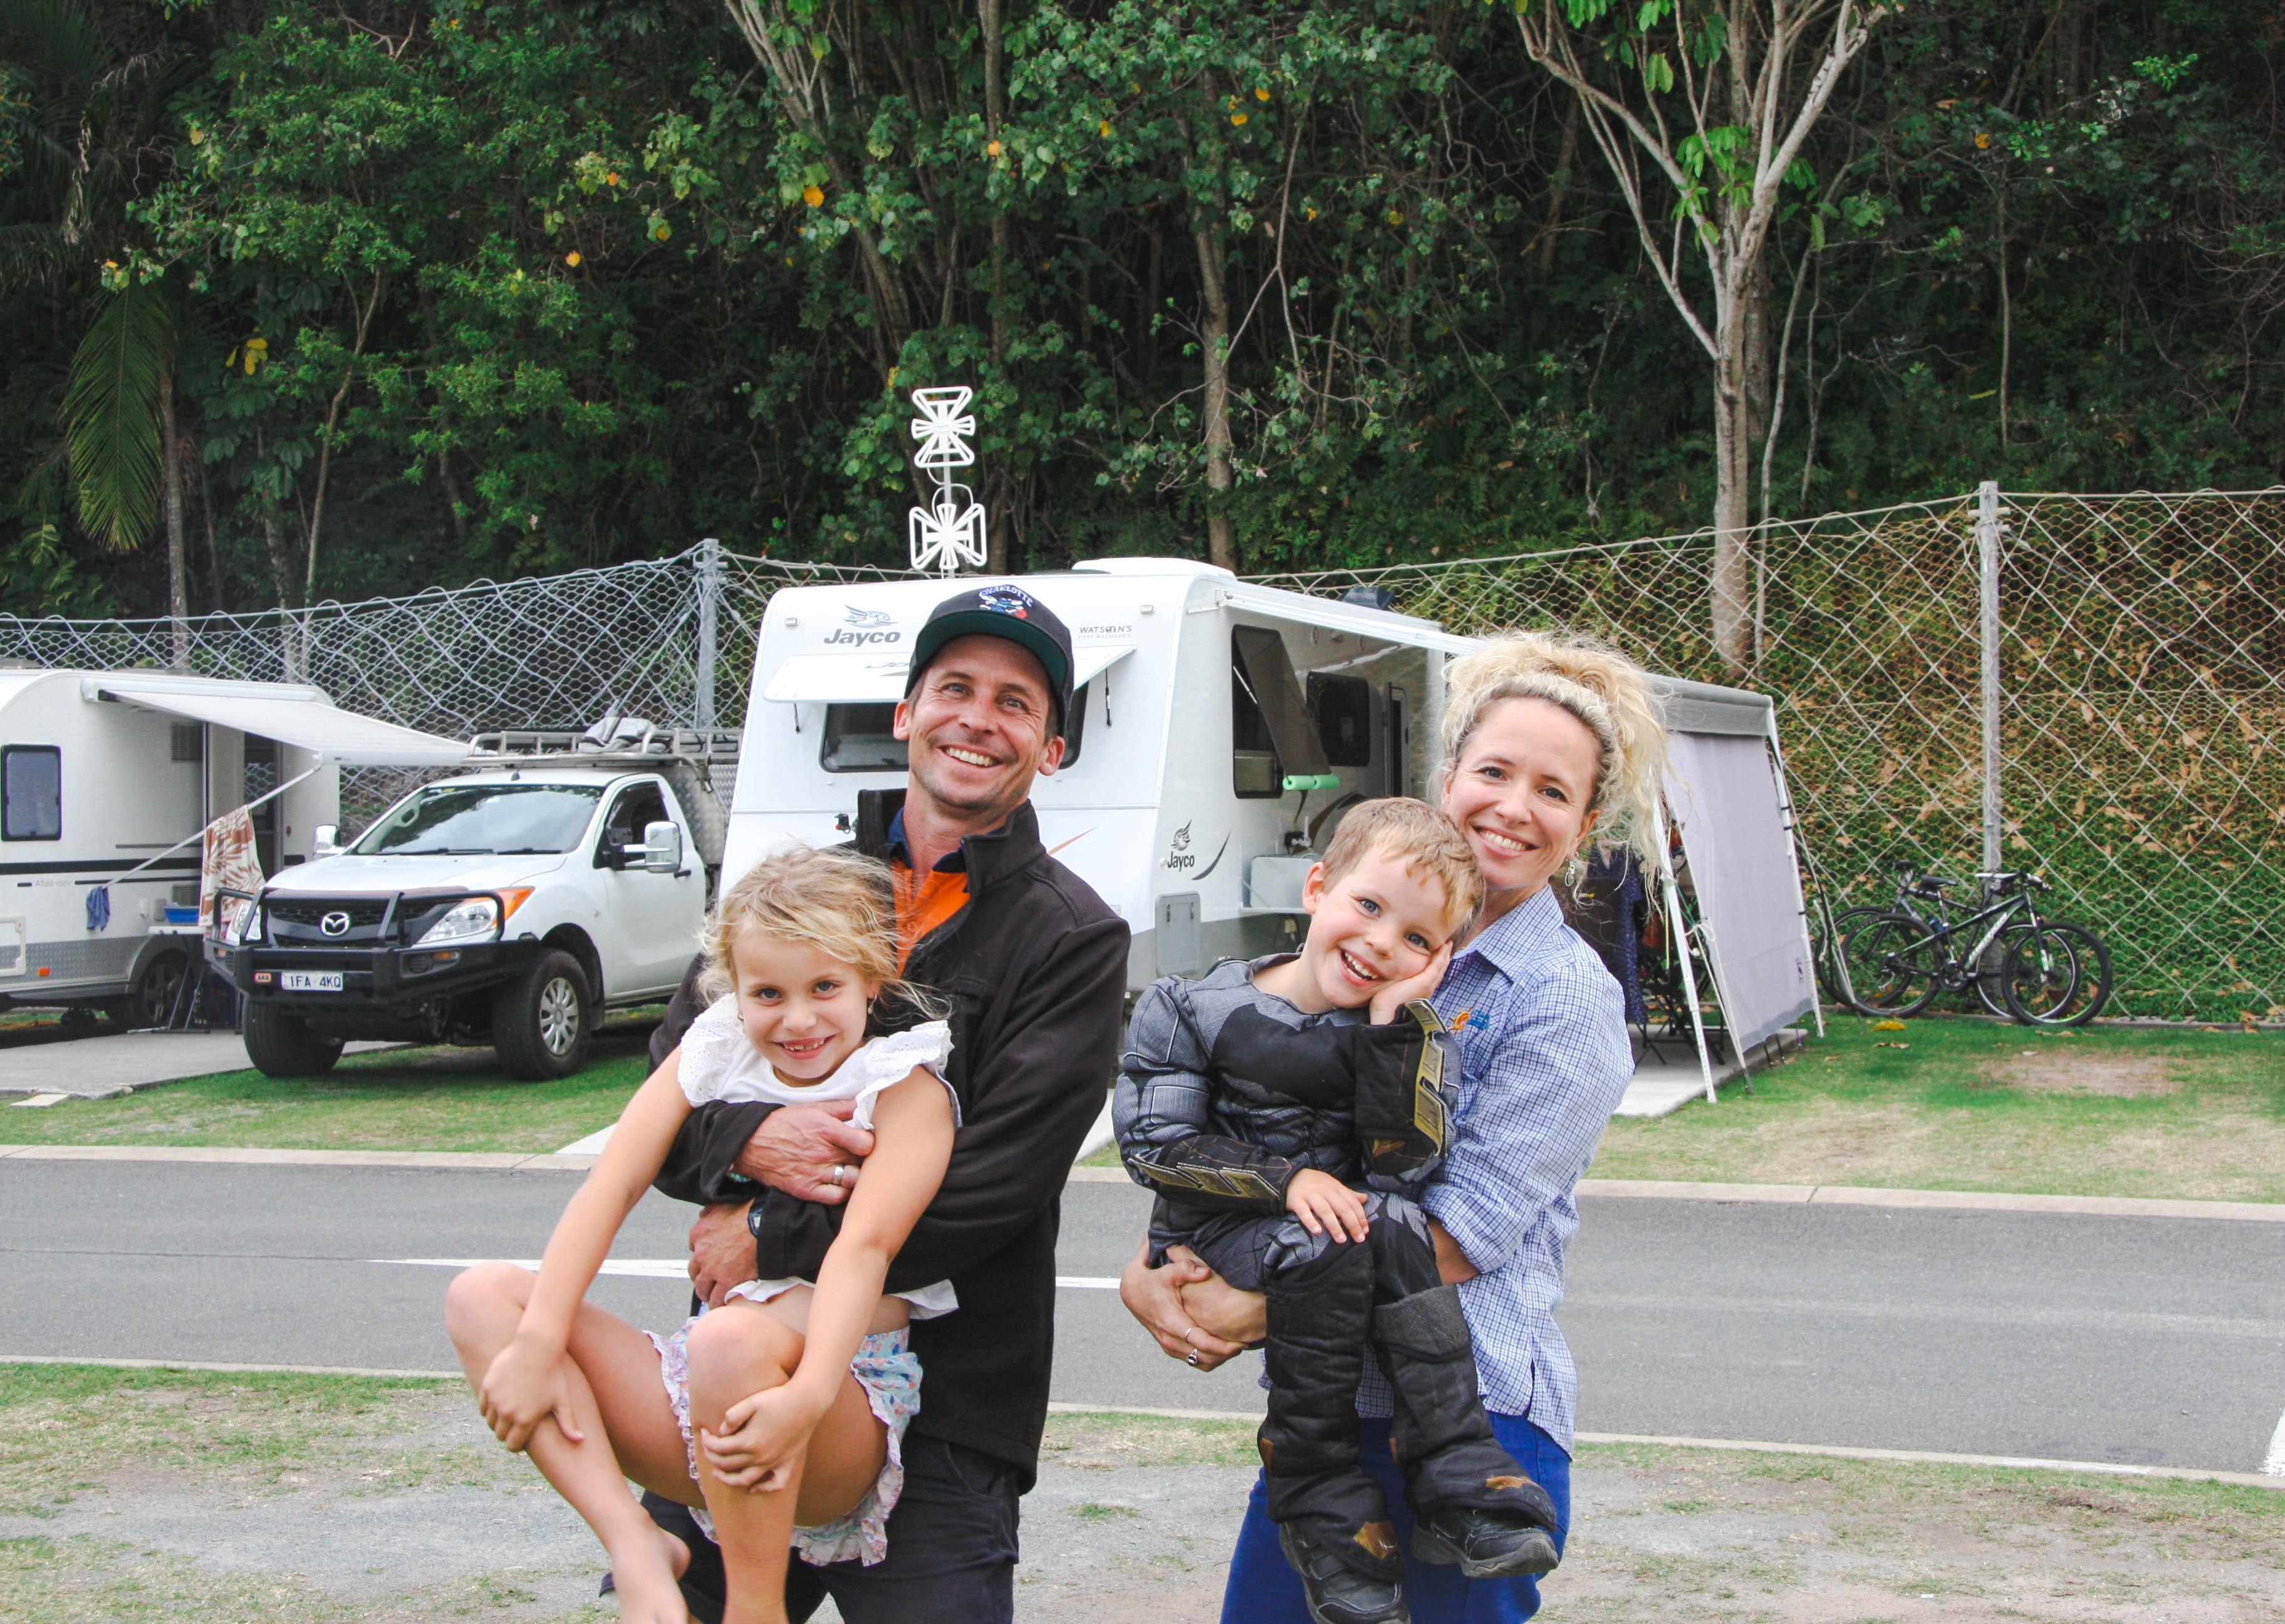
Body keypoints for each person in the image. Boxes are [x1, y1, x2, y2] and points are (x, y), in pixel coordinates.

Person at [1122, 632, 1668, 1624]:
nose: (1514, 806)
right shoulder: (1369, 947)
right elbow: (1270, 1136)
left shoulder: (1562, 998)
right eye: (1494, 770)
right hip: (1327, 1416)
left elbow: (1461, 1234)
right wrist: (1164, 1255)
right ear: (1447, 775)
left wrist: (1261, 1303)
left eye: (1553, 791)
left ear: (1584, 824)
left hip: (1474, 1421)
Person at [646, 582, 1132, 1623]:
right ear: (905, 713)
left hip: (954, 1404)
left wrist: (773, 1230)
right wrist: (749, 1139)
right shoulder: (794, 890)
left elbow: (997, 1184)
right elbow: (672, 1094)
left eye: (1016, 702)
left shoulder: (1073, 939)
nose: (978, 719)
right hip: (749, 1359)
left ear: (1049, 749)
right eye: (954, 687)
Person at [442, 843, 959, 1624]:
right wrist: (542, 1338)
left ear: (871, 980)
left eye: (825, 987)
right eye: (768, 993)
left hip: (834, 1403)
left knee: (730, 1340)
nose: (797, 1019)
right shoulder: (715, 1050)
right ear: (732, 989)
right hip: (706, 1402)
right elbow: (611, 1183)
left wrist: (811, 1394)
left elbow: (866, 1248)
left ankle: (757, 1610)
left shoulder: (903, 1084)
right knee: (483, 1297)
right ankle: (635, 1542)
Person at [1115, 798, 1562, 1624]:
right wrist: (1284, 1180)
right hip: (1220, 1226)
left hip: (1334, 1232)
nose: (1381, 944)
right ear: (1318, 886)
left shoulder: (1409, 1036)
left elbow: (1406, 1172)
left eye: (1417, 940)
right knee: (1335, 1239)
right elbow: (1154, 1147)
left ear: (1440, 960)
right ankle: (1317, 1498)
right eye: (1368, 906)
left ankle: (1457, 1471)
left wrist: (1395, 1031)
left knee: (1386, 1227)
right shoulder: (1187, 1008)